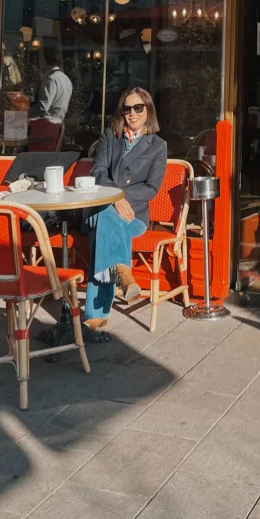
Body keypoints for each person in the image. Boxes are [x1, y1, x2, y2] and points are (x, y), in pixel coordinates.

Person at [83, 87, 167, 337]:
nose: (132, 114)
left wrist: (121, 199)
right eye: (127, 109)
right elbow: (98, 172)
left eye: (138, 108)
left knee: (104, 232)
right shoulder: (111, 135)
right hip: (102, 208)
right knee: (108, 219)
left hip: (135, 216)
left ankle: (96, 318)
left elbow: (152, 188)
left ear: (148, 110)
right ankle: (122, 271)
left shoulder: (158, 146)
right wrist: (114, 198)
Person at [29, 45, 72, 124]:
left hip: (47, 125)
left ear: (45, 61)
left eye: (39, 60)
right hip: (58, 124)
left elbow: (43, 108)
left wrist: (26, 113)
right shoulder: (66, 79)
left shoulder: (50, 79)